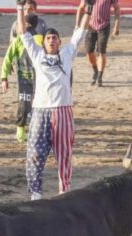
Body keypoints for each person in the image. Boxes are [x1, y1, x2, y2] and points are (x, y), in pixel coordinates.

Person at [16, 0, 93, 200]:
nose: (51, 41)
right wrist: (18, 8)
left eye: (55, 38)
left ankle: (64, 191)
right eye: (48, 38)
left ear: (60, 42)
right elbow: (23, 33)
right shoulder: (37, 54)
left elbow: (81, 32)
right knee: (34, 154)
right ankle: (35, 194)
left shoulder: (68, 53)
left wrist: (90, 9)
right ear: (44, 43)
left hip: (63, 111)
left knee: (64, 155)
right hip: (40, 111)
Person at [1, 14, 43, 143]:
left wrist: (4, 78)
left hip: (25, 79)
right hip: (41, 80)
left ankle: (20, 130)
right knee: (40, 107)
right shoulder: (42, 39)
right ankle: (36, 131)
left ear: (26, 25)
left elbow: (7, 59)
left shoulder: (19, 40)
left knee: (24, 106)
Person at [76, 0, 120, 87]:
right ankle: (95, 70)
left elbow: (117, 8)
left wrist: (116, 25)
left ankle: (99, 77)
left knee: (101, 52)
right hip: (90, 25)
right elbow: (81, 8)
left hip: (104, 26)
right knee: (89, 51)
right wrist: (77, 25)